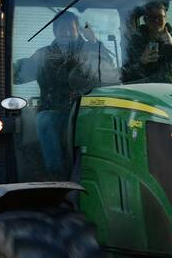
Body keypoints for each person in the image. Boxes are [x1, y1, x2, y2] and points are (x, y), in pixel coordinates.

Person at [13, 11, 117, 174]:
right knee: (44, 120)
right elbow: (19, 74)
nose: (66, 32)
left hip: (89, 111)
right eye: (62, 29)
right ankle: (57, 175)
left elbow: (109, 71)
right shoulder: (44, 55)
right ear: (55, 31)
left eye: (71, 28)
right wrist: (5, 68)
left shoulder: (92, 50)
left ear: (78, 31)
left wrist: (94, 41)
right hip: (57, 111)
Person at [120, 1, 172, 84]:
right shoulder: (136, 41)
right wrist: (142, 61)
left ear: (166, 18)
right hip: (142, 90)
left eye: (160, 17)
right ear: (145, 20)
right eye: (152, 18)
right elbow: (125, 75)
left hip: (170, 90)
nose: (157, 21)